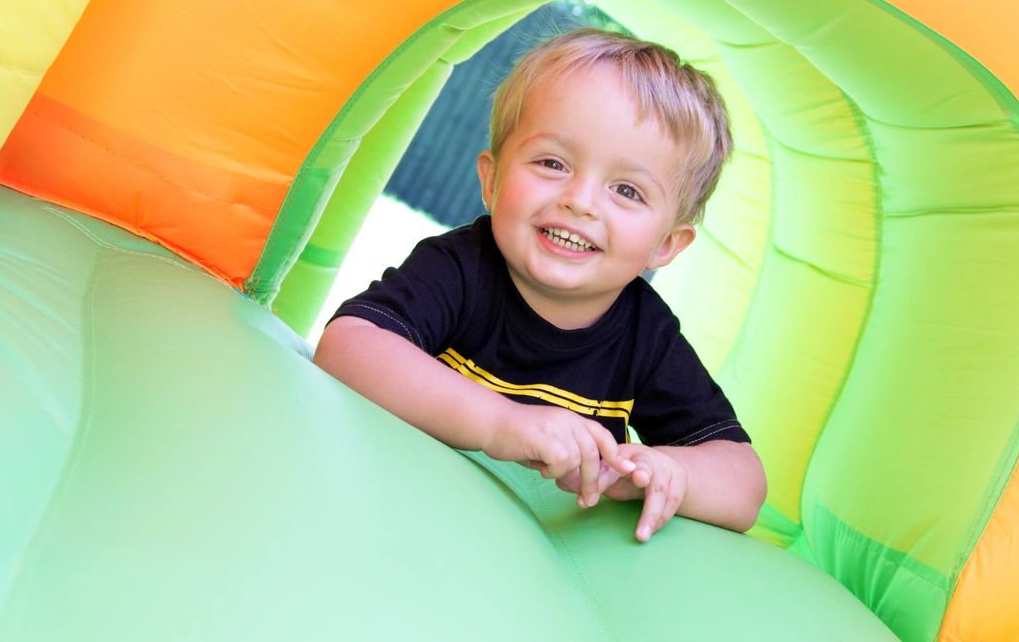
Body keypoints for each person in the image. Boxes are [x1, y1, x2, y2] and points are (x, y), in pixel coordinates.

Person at [314, 28, 766, 542]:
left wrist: (672, 473)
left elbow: (745, 482)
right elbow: (348, 346)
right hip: (398, 511)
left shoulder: (647, 337)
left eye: (626, 190)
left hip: (533, 560)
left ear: (666, 244)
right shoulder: (463, 267)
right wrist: (500, 423)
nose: (580, 200)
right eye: (553, 163)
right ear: (492, 180)